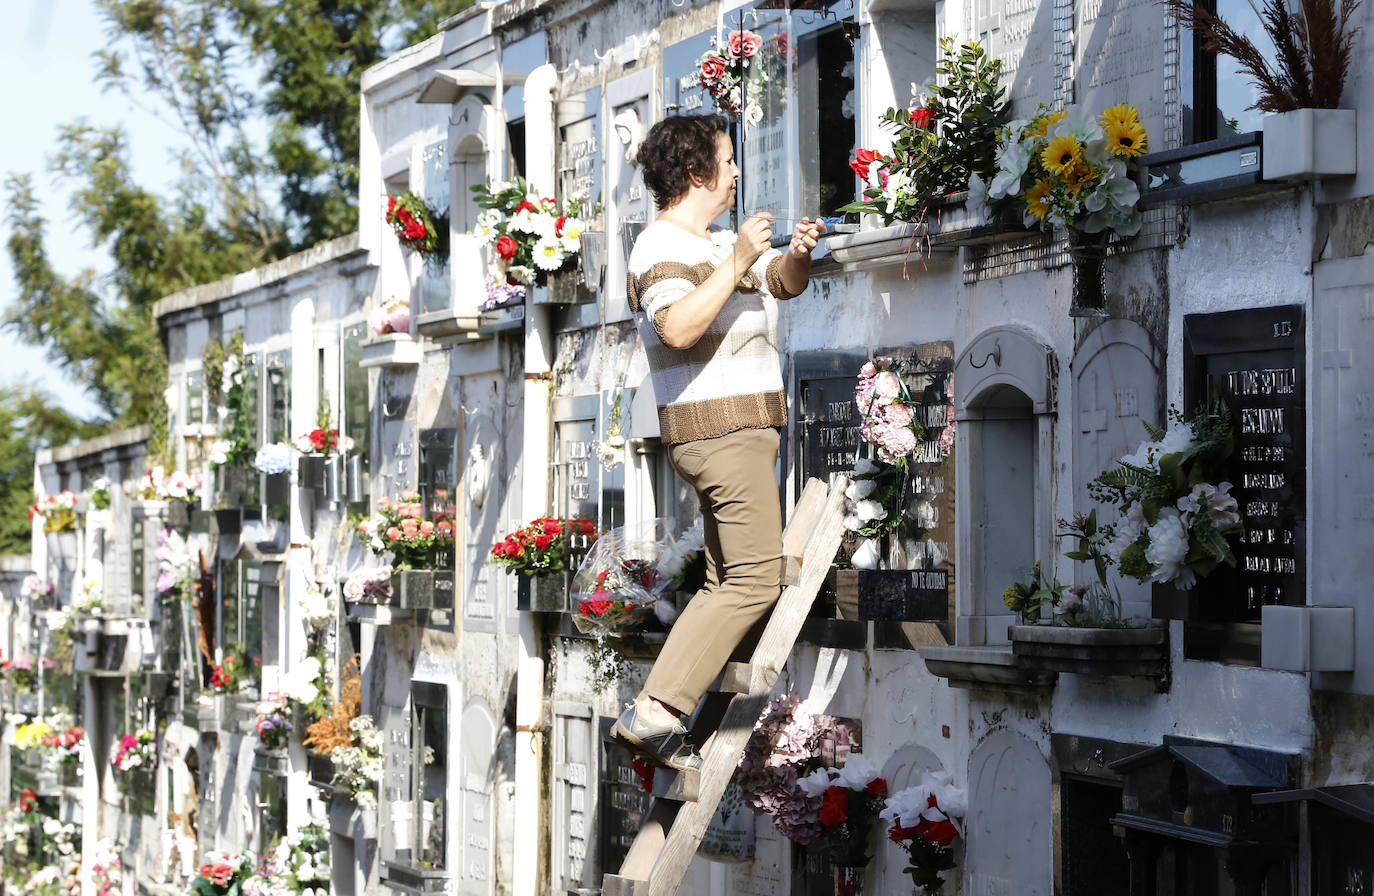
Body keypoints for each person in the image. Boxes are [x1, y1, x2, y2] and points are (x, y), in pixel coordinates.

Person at [608, 114, 824, 771]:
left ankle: (662, 707)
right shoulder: (659, 247)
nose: (736, 173)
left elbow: (780, 283)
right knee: (758, 580)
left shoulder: (714, 243)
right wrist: (732, 263)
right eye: (727, 162)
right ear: (697, 172)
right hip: (721, 432)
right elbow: (678, 327)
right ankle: (657, 710)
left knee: (726, 579)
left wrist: (797, 255)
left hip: (738, 432)